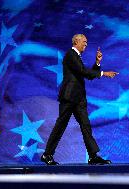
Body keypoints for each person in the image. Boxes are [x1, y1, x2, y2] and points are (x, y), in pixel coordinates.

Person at [41, 34, 118, 165]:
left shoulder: (77, 57)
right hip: (69, 97)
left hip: (79, 98)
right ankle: (47, 154)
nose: (86, 44)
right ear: (76, 41)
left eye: (87, 42)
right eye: (84, 42)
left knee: (85, 125)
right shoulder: (71, 55)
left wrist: (97, 63)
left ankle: (93, 156)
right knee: (61, 125)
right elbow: (83, 71)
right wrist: (103, 73)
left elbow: (88, 76)